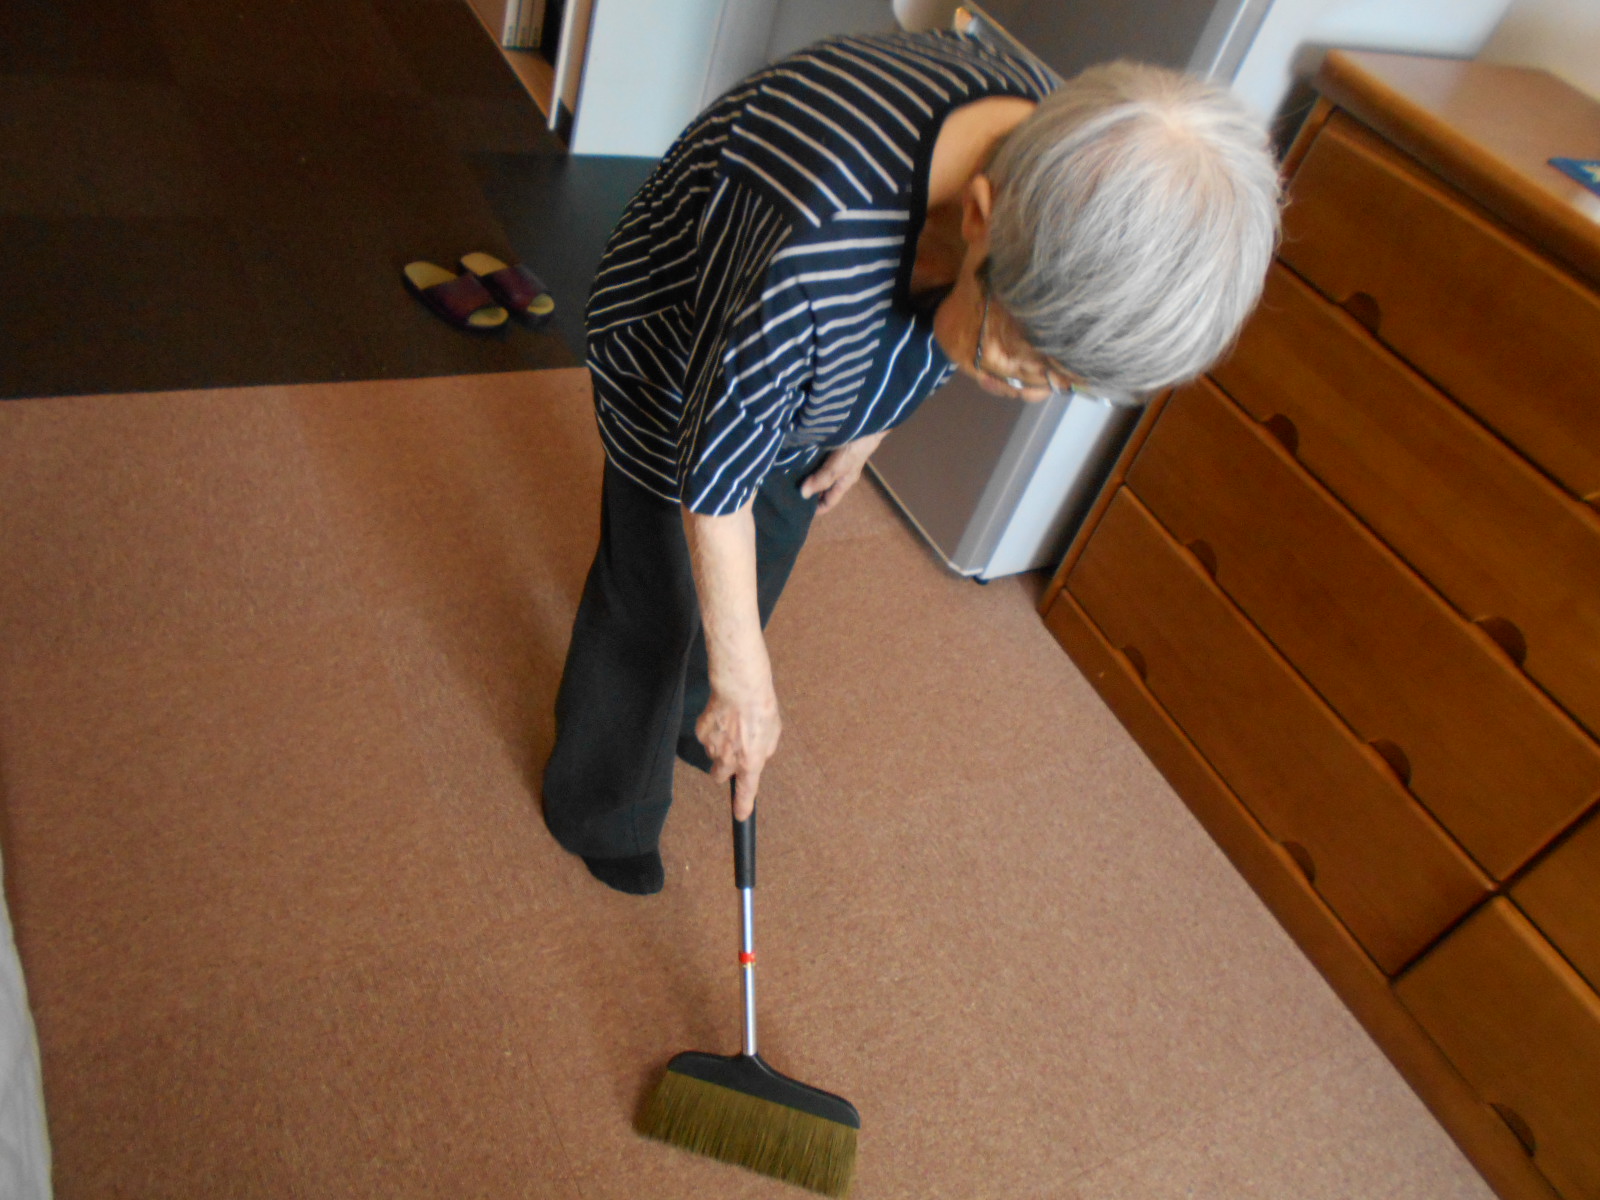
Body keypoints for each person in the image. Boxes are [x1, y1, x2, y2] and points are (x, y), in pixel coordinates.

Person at [541, 29, 1281, 894]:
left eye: (1064, 382)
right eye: (1028, 367)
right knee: (658, 595)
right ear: (980, 217)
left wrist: (868, 422)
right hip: (678, 352)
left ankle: (693, 711)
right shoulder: (815, 239)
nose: (1032, 395)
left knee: (767, 545)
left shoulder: (1067, 150)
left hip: (812, 360)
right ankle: (603, 807)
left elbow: (957, 316)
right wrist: (748, 680)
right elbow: (714, 469)